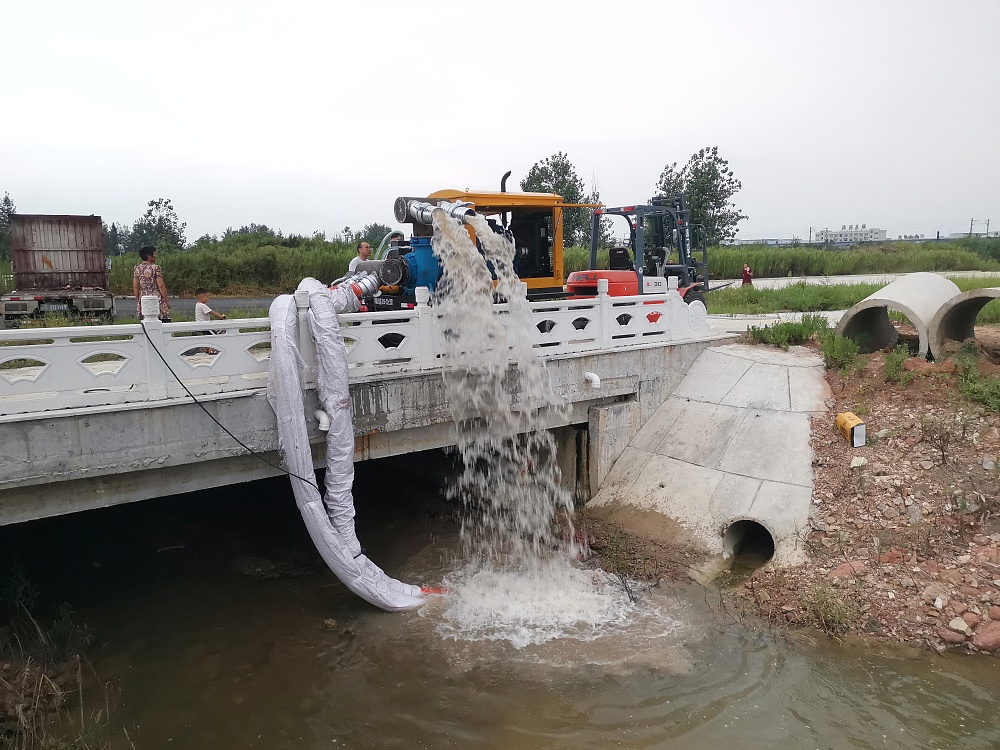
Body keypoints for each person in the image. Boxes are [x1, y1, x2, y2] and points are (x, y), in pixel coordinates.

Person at [133, 246, 171, 321]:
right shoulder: (155, 268)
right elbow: (161, 285)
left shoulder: (137, 268)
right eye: (154, 254)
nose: (156, 256)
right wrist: (167, 301)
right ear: (149, 256)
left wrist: (139, 299)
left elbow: (135, 286)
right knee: (164, 324)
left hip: (143, 299)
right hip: (157, 299)